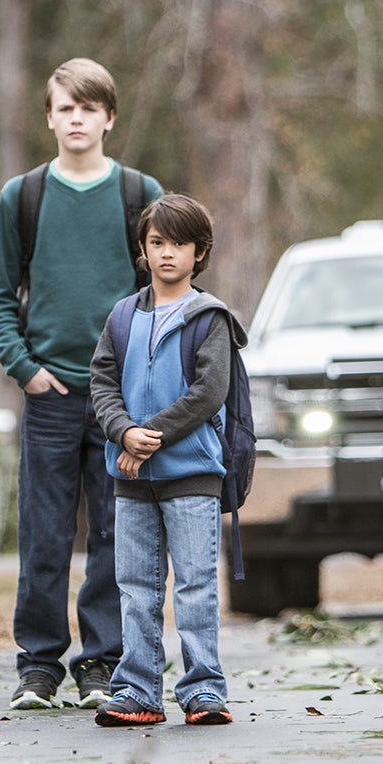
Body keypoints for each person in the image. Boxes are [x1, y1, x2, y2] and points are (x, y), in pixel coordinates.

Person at [0, 59, 162, 710]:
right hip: (51, 396)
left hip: (122, 401)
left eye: (90, 108)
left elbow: (163, 295)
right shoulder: (22, 197)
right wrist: (26, 371)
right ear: (49, 117)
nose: (77, 118)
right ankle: (38, 667)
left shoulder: (138, 194)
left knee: (118, 535)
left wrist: (145, 380)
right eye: (65, 108)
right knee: (44, 535)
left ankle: (102, 665)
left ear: (109, 117)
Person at [88, 194, 246, 727]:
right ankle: (137, 691)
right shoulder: (123, 316)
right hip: (130, 479)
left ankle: (204, 691)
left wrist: (146, 435)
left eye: (180, 244)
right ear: (143, 249)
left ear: (199, 252)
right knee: (134, 587)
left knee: (196, 586)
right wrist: (122, 431)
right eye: (157, 243)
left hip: (193, 475)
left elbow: (209, 392)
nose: (167, 254)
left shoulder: (210, 318)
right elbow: (102, 382)